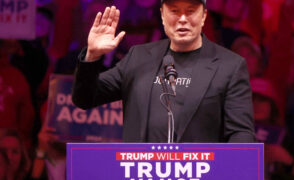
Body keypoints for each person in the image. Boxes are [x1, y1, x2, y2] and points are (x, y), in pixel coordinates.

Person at [72, 0, 255, 143]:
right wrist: (93, 55)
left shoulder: (230, 65)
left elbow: (241, 134)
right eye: (174, 11)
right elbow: (85, 98)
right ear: (162, 15)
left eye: (191, 11)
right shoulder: (139, 56)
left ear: (204, 16)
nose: (182, 18)